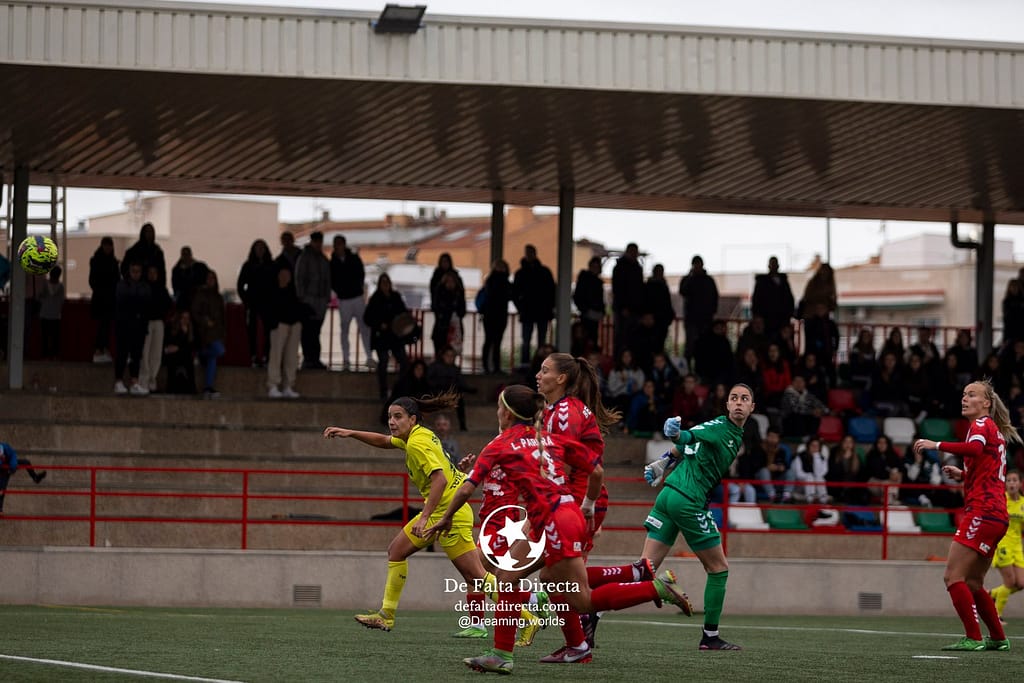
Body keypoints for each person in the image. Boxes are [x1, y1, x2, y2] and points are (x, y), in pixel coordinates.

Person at [425, 385, 688, 674]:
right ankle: (510, 653)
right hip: (567, 514)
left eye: (499, 406)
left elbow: (464, 491)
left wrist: (444, 518)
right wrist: (587, 505)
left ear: (507, 413)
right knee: (531, 579)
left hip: (552, 520)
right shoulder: (548, 438)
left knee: (582, 599)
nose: (497, 412)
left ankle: (656, 587)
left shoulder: (499, 444)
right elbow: (596, 470)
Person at [322, 392, 490, 633]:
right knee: (397, 552)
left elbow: (439, 480)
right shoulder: (418, 434)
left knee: (476, 577)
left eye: (398, 417)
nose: (392, 421)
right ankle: (386, 615)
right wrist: (350, 432)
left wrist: (424, 516)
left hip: (447, 514)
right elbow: (383, 441)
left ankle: (530, 605)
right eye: (390, 416)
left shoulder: (416, 442)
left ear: (412, 419)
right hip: (447, 509)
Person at [640, 383, 758, 650]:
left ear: (752, 407)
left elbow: (692, 444)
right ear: (727, 405)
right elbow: (687, 438)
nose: (738, 402)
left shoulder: (722, 430)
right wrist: (675, 434)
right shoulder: (722, 428)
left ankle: (593, 615)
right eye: (734, 398)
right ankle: (710, 637)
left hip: (667, 496)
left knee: (642, 570)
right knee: (719, 569)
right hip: (688, 501)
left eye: (744, 399)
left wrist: (664, 461)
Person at [913, 379, 1021, 651]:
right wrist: (964, 475)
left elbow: (973, 450)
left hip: (983, 513)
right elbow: (987, 468)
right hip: (996, 515)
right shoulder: (988, 429)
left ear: (986, 403)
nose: (965, 398)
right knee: (973, 581)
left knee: (953, 577)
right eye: (963, 394)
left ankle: (973, 637)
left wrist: (935, 444)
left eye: (972, 395)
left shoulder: (982, 425)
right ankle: (998, 637)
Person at [364, 273, 411, 401]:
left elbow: (404, 313)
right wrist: (379, 324)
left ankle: (400, 389)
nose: (385, 285)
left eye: (387, 282)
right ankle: (383, 391)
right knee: (383, 361)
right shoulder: (375, 298)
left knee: (404, 362)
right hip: (382, 337)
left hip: (395, 336)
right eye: (383, 282)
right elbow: (367, 318)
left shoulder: (396, 297)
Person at [330, 235, 372, 372]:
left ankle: (369, 356)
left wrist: (356, 287)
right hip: (344, 300)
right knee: (344, 331)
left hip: (357, 297)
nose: (338, 247)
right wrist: (340, 290)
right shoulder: (333, 263)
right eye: (336, 244)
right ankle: (346, 359)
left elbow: (361, 275)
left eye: (340, 244)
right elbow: (332, 280)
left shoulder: (354, 259)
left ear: (344, 245)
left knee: (365, 328)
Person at [989, 470, 1024, 624]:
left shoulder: (1023, 503)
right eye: (1008, 480)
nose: (1011, 483)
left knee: (1021, 583)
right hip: (1003, 544)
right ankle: (997, 615)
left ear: (1020, 483)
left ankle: (992, 594)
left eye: (1014, 480)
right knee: (1010, 582)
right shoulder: (1001, 500)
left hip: (1017, 545)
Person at [512, 244, 556, 366]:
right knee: (530, 340)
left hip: (535, 311)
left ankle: (533, 363)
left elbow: (552, 291)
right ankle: (531, 363)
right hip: (533, 311)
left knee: (536, 340)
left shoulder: (522, 273)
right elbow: (515, 294)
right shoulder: (542, 272)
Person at [237, 239, 276, 368]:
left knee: (268, 331)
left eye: (262, 248)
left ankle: (266, 356)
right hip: (253, 303)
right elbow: (240, 285)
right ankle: (253, 355)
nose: (260, 251)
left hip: (269, 303)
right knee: (251, 330)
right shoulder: (248, 265)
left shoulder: (271, 265)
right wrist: (246, 300)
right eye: (257, 248)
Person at [113, 262, 151, 395]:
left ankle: (134, 382)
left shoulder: (144, 286)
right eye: (133, 271)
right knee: (122, 354)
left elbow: (146, 304)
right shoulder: (122, 285)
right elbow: (124, 302)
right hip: (124, 326)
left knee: (136, 355)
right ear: (129, 271)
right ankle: (118, 381)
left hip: (139, 327)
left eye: (138, 271)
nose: (136, 274)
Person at [294, 231, 331, 370]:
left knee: (316, 331)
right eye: (316, 241)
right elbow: (299, 277)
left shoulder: (323, 259)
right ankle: (308, 359)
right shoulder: (304, 257)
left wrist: (327, 297)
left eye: (320, 241)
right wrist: (302, 297)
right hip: (308, 300)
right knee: (308, 332)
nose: (318, 244)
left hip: (321, 302)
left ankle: (314, 359)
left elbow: (328, 280)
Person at [266, 265, 302, 399]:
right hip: (279, 325)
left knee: (291, 356)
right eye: (283, 274)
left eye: (288, 275)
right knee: (276, 355)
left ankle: (288, 385)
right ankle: (273, 385)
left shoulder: (292, 290)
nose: (285, 277)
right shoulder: (272, 290)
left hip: (294, 324)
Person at [191, 269, 226, 399]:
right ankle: (200, 354)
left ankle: (208, 387)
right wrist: (205, 322)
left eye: (213, 278)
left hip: (216, 334)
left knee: (213, 358)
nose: (211, 280)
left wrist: (223, 335)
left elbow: (223, 319)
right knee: (218, 352)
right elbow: (195, 313)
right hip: (204, 333)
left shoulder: (218, 297)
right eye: (209, 278)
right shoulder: (200, 294)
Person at [678, 255, 718, 366]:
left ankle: (702, 370)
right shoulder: (687, 279)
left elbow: (714, 297)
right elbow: (682, 291)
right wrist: (691, 277)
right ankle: (687, 371)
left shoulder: (709, 280)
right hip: (691, 320)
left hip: (705, 320)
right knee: (690, 347)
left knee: (704, 347)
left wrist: (712, 312)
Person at [139, 264, 172, 393]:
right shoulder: (142, 288)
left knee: (156, 353)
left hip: (158, 322)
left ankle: (153, 378)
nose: (152, 275)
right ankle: (144, 380)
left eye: (155, 273)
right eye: (150, 272)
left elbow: (168, 304)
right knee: (145, 352)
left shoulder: (161, 289)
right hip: (146, 323)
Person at [429, 253, 466, 360]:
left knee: (452, 353)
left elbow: (462, 308)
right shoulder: (438, 288)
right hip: (442, 324)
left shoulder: (458, 294)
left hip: (454, 325)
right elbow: (435, 303)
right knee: (440, 352)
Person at [89, 236, 120, 363]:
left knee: (107, 326)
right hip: (100, 299)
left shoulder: (114, 262)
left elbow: (117, 280)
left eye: (109, 245)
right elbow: (92, 281)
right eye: (106, 245)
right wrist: (103, 290)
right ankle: (98, 349)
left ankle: (105, 349)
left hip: (111, 300)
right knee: (102, 325)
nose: (108, 248)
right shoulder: (96, 261)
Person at [479, 259, 513, 375]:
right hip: (496, 315)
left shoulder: (492, 280)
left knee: (492, 341)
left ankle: (489, 366)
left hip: (493, 315)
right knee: (493, 341)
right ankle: (491, 366)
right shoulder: (497, 281)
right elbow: (507, 295)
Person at [611, 243, 644, 357]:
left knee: (633, 338)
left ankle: (632, 362)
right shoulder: (620, 268)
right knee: (621, 338)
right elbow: (618, 288)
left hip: (635, 310)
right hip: (623, 310)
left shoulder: (637, 268)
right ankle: (619, 362)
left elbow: (639, 290)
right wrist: (622, 307)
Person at [751, 256, 795, 341]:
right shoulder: (762, 282)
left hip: (782, 320)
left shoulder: (783, 282)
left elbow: (789, 300)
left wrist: (788, 315)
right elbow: (756, 300)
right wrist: (757, 316)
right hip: (766, 320)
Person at [0, 441, 46, 514]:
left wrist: (12, 467)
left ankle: (35, 477)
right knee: (2, 488)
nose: (2, 457)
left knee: (26, 462)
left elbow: (13, 455)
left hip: (9, 465)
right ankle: (0, 509)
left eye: (2, 456)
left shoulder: (5, 447)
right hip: (3, 470)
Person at [573, 256, 605, 355]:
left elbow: (600, 299)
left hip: (595, 315)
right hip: (586, 314)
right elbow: (577, 296)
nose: (595, 269)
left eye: (597, 266)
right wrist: (585, 310)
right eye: (594, 266)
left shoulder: (599, 282)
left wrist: (601, 311)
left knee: (593, 339)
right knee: (583, 339)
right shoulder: (584, 278)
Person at [163, 311, 196, 395]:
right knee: (173, 359)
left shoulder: (192, 330)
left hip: (184, 354)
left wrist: (179, 347)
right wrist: (181, 333)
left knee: (188, 359)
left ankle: (192, 389)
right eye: (183, 318)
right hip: (173, 354)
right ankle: (170, 389)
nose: (185, 320)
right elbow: (170, 343)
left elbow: (191, 346)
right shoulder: (172, 328)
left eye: (187, 318)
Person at [645, 264, 675, 355]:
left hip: (662, 320)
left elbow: (667, 303)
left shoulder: (663, 286)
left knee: (659, 345)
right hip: (654, 321)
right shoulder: (650, 286)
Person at [38, 265, 65, 361]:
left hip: (45, 313)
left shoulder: (45, 285)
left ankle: (45, 354)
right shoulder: (61, 287)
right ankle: (54, 355)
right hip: (56, 315)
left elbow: (39, 297)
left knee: (45, 336)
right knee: (55, 337)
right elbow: (62, 300)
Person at [793, 437, 830, 504]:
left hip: (816, 486)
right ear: (808, 446)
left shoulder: (822, 459)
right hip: (801, 485)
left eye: (817, 446)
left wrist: (816, 457)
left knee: (820, 478)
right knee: (809, 476)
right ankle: (810, 500)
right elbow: (798, 474)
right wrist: (809, 476)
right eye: (812, 445)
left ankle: (823, 501)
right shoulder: (800, 457)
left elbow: (819, 474)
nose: (815, 448)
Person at [170, 245, 207, 311]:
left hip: (198, 299)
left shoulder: (200, 267)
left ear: (191, 255)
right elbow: (175, 287)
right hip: (183, 301)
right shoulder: (177, 271)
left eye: (187, 254)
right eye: (184, 255)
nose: (186, 257)